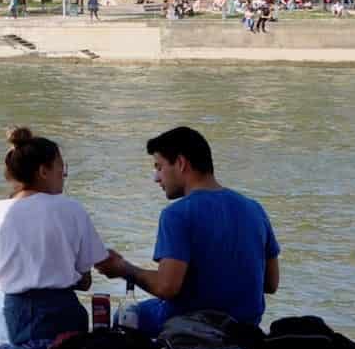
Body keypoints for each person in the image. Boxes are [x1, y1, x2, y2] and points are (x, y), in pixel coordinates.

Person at [99, 126, 280, 333]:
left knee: (126, 315)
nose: (156, 178)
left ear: (181, 163)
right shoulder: (255, 209)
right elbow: (271, 284)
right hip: (245, 330)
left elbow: (167, 287)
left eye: (159, 167)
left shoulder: (177, 214)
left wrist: (123, 268)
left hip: (191, 328)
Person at [0, 128, 108, 347]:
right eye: (62, 168)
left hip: (6, 324)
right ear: (44, 171)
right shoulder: (71, 209)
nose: (65, 175)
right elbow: (85, 280)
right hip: (60, 323)